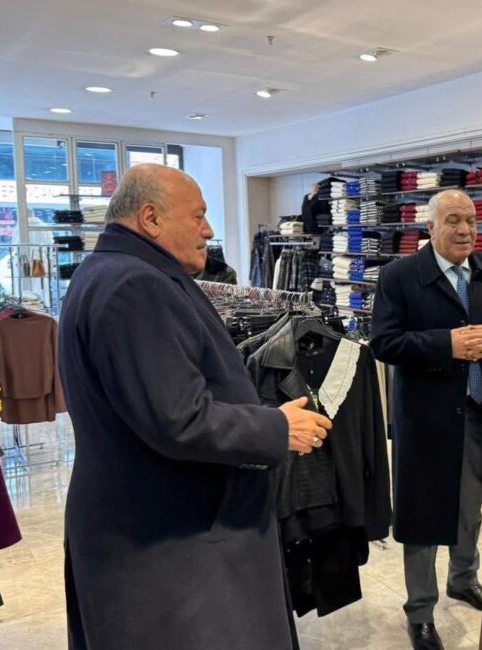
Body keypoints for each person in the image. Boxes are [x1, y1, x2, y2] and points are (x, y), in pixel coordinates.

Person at [58, 163, 332, 649]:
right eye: (199, 216)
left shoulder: (110, 274)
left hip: (156, 526)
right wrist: (275, 427)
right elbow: (176, 417)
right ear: (151, 218)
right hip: (170, 539)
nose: (208, 231)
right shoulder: (135, 286)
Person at [369, 189, 482, 650]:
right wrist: (443, 345)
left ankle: (463, 578)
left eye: (471, 220)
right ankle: (421, 610)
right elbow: (385, 343)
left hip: (478, 410)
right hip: (426, 418)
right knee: (423, 513)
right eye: (453, 220)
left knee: (470, 508)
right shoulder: (400, 276)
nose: (465, 229)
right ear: (428, 227)